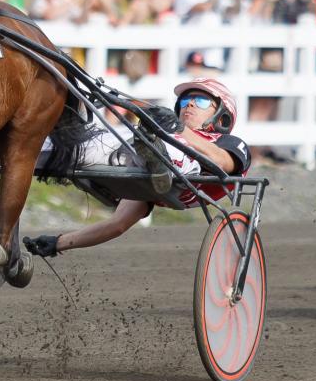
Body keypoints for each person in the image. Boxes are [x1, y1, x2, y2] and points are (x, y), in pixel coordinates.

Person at [20, 79, 253, 263]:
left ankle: (157, 151)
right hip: (134, 160)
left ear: (221, 116)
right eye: (184, 101)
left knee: (176, 147)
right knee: (66, 146)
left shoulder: (230, 142)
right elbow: (117, 224)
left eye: (200, 101)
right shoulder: (148, 180)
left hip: (180, 173)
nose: (189, 104)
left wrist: (180, 131)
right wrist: (58, 242)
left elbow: (223, 162)